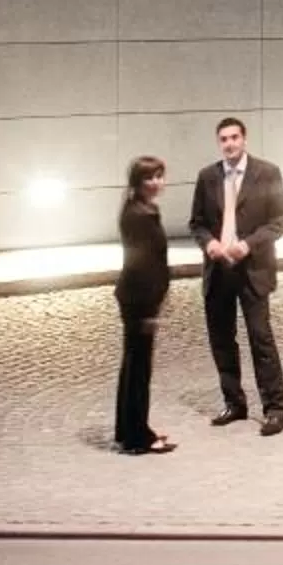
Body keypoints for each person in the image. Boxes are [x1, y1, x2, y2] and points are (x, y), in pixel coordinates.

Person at [187, 114, 283, 433]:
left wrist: (248, 245)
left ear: (244, 139)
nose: (229, 144)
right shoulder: (207, 177)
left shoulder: (267, 172)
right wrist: (210, 244)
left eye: (234, 137)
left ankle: (275, 409)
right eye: (223, 139)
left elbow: (280, 221)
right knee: (222, 341)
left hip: (253, 270)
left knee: (261, 339)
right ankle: (235, 403)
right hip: (219, 272)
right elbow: (197, 223)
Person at [111, 154, 178, 456]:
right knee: (139, 369)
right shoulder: (139, 215)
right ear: (137, 182)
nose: (156, 183)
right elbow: (143, 264)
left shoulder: (140, 209)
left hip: (136, 296)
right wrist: (151, 308)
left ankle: (128, 429)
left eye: (159, 176)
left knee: (133, 365)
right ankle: (138, 437)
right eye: (149, 178)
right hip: (140, 299)